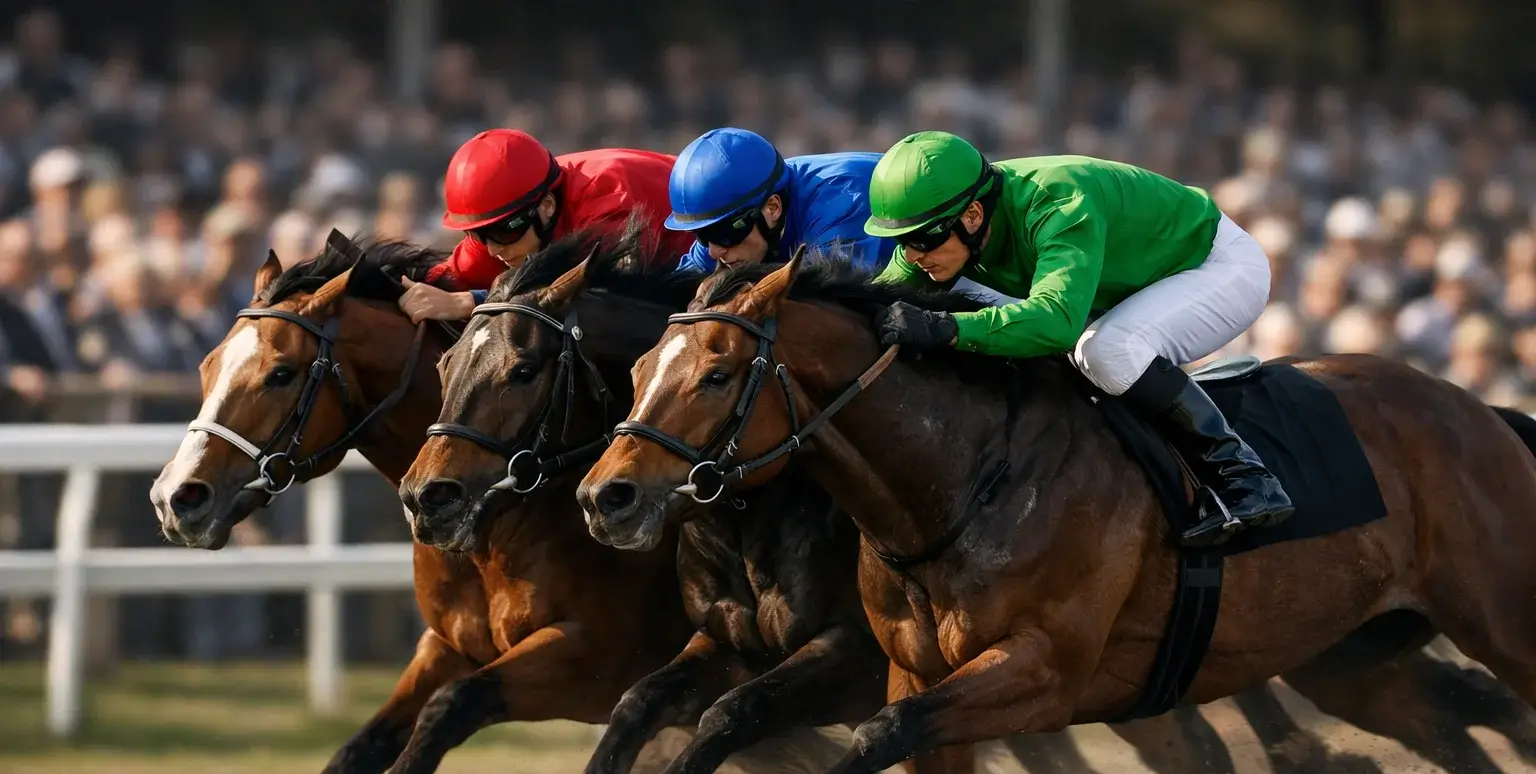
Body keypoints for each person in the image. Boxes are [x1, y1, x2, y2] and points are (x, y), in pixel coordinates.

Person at [865, 130, 1292, 547]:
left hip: (1215, 267)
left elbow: (1057, 321)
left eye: (921, 239)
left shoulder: (1057, 201)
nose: (912, 255)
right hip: (1129, 285)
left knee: (1104, 351)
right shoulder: (953, 226)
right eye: (902, 242)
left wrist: (947, 328)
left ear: (973, 216)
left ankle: (1242, 474)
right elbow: (877, 307)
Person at [398, 129, 691, 322]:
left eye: (503, 231)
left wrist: (473, 301)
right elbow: (441, 283)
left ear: (547, 206)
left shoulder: (607, 201)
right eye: (477, 235)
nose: (493, 249)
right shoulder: (506, 221)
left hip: (705, 246)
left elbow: (601, 298)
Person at [665, 127, 895, 273]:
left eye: (724, 232)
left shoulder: (841, 195)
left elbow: (825, 301)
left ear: (773, 207)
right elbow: (681, 287)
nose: (714, 253)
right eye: (703, 236)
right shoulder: (727, 229)